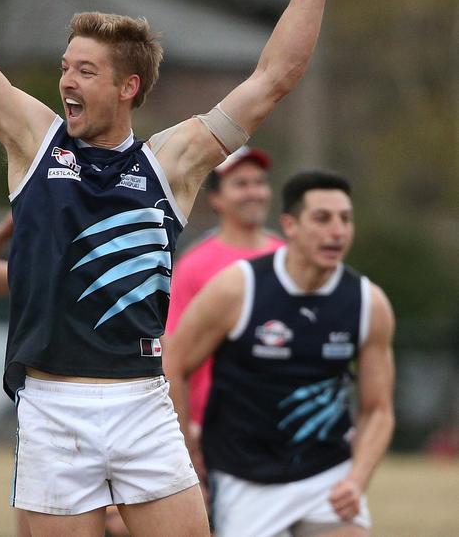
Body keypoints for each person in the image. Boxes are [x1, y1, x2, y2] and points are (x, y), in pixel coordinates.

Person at [0, 0, 344, 533]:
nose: (66, 82)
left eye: (85, 72)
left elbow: (273, 78)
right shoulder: (35, 141)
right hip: (52, 405)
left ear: (128, 87)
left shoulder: (170, 163)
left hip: (141, 402)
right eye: (66, 67)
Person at [164, 172, 396, 537]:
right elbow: (173, 365)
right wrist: (188, 453)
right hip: (244, 477)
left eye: (345, 219)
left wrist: (357, 478)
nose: (337, 231)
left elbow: (378, 409)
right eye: (322, 218)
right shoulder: (239, 288)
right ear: (290, 225)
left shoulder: (368, 302)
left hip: (327, 473)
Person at [0, 215, 130, 537]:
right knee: (37, 516)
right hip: (53, 411)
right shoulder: (41, 271)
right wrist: (6, 226)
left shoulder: (120, 268)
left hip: (121, 409)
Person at [164, 146, 284, 498]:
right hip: (214, 429)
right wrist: (186, 436)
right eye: (240, 183)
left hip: (279, 426)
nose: (253, 191)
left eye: (259, 182)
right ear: (216, 198)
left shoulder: (289, 257)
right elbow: (173, 355)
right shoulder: (195, 265)